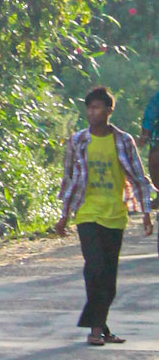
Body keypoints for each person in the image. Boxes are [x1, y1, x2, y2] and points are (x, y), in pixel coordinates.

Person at [56, 86, 152, 345]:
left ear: (109, 110)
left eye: (97, 107)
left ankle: (102, 325)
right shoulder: (77, 141)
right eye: (89, 108)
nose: (92, 112)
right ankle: (95, 330)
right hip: (87, 212)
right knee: (95, 268)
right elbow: (69, 178)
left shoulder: (123, 140)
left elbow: (138, 176)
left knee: (108, 276)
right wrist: (64, 215)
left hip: (115, 215)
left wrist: (146, 213)